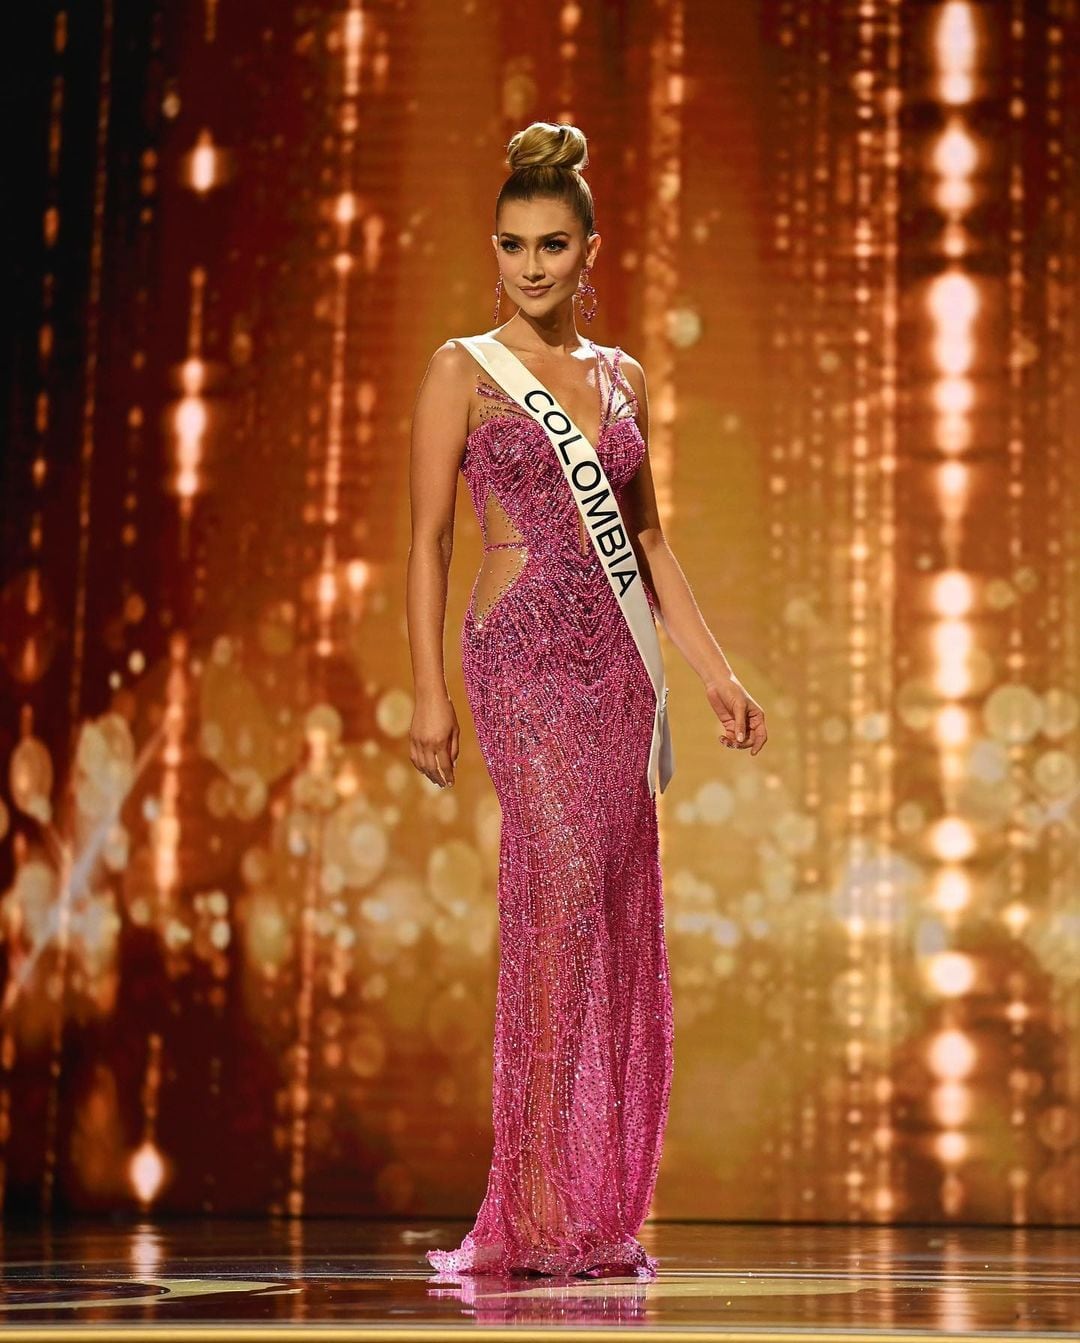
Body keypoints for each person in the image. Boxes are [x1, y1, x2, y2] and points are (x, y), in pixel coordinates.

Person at [406, 120, 768, 1279]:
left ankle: (594, 1203)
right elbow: (424, 547)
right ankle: (536, 1195)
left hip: (616, 669)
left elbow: (649, 539)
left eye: (552, 245)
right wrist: (426, 692)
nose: (529, 266)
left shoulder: (625, 380)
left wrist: (715, 673)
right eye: (512, 244)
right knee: (555, 904)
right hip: (516, 657)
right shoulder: (461, 369)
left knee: (609, 911)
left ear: (589, 248)